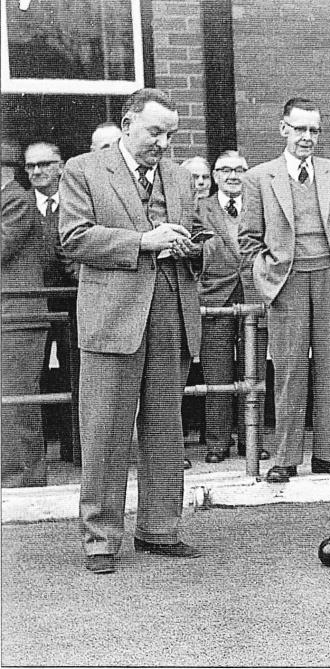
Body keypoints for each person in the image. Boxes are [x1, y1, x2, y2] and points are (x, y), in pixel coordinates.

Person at [59, 88, 208, 574]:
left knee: (166, 429)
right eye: (154, 132)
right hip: (112, 317)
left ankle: (160, 530)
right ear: (127, 124)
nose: (163, 143)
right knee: (104, 431)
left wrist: (191, 249)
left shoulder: (182, 178)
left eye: (170, 135)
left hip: (171, 311)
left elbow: (202, 238)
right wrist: (144, 241)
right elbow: (74, 238)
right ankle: (100, 539)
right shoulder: (83, 169)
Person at [239, 97, 330, 484]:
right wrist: (267, 274)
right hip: (286, 282)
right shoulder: (260, 177)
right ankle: (286, 457)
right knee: (291, 370)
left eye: (314, 130)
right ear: (284, 129)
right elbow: (247, 240)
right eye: (300, 129)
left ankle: (327, 456)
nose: (307, 137)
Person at [194, 150, 269, 463]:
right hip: (215, 296)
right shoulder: (200, 208)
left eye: (240, 169)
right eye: (226, 170)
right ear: (215, 176)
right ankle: (217, 443)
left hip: (254, 293)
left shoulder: (259, 206)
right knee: (217, 373)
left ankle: (252, 441)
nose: (233, 176)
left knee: (254, 371)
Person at [23, 141, 79, 453]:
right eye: (31, 166)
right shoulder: (19, 204)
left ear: (60, 165)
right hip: (32, 302)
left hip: (71, 301)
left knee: (75, 372)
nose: (37, 171)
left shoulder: (75, 202)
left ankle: (75, 447)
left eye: (44, 164)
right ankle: (38, 450)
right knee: (35, 373)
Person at [2, 178, 49, 487]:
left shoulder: (15, 200)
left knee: (16, 400)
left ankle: (24, 476)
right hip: (11, 314)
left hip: (18, 315)